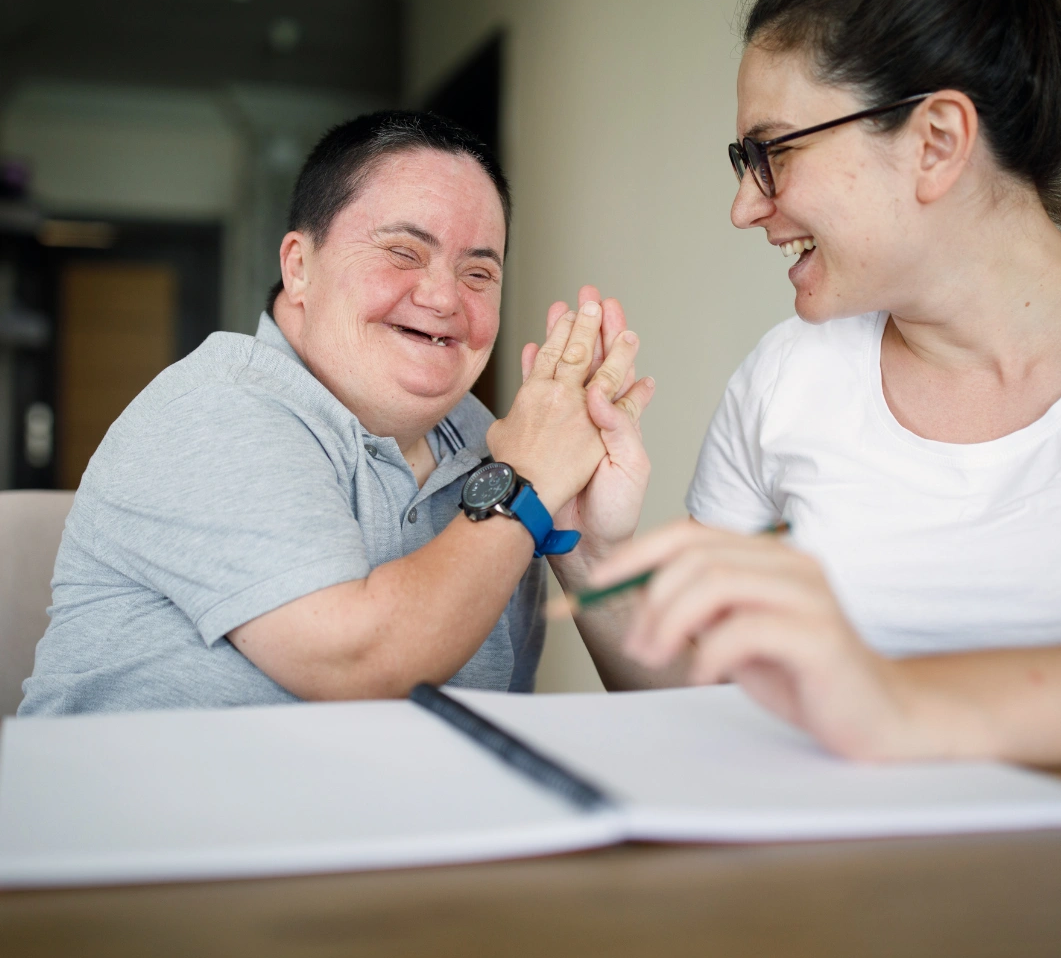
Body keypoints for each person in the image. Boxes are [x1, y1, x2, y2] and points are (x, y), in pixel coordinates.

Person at [567, 0, 1061, 765]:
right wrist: (590, 547)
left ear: (936, 140)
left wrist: (899, 706)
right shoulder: (785, 378)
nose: (745, 206)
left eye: (772, 152)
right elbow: (706, 701)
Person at [20, 111, 653, 714]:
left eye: (479, 272)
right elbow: (362, 665)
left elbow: (518, 725)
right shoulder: (216, 407)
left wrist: (584, 546)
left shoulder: (492, 447)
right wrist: (524, 484)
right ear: (299, 267)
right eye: (404, 252)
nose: (442, 298)